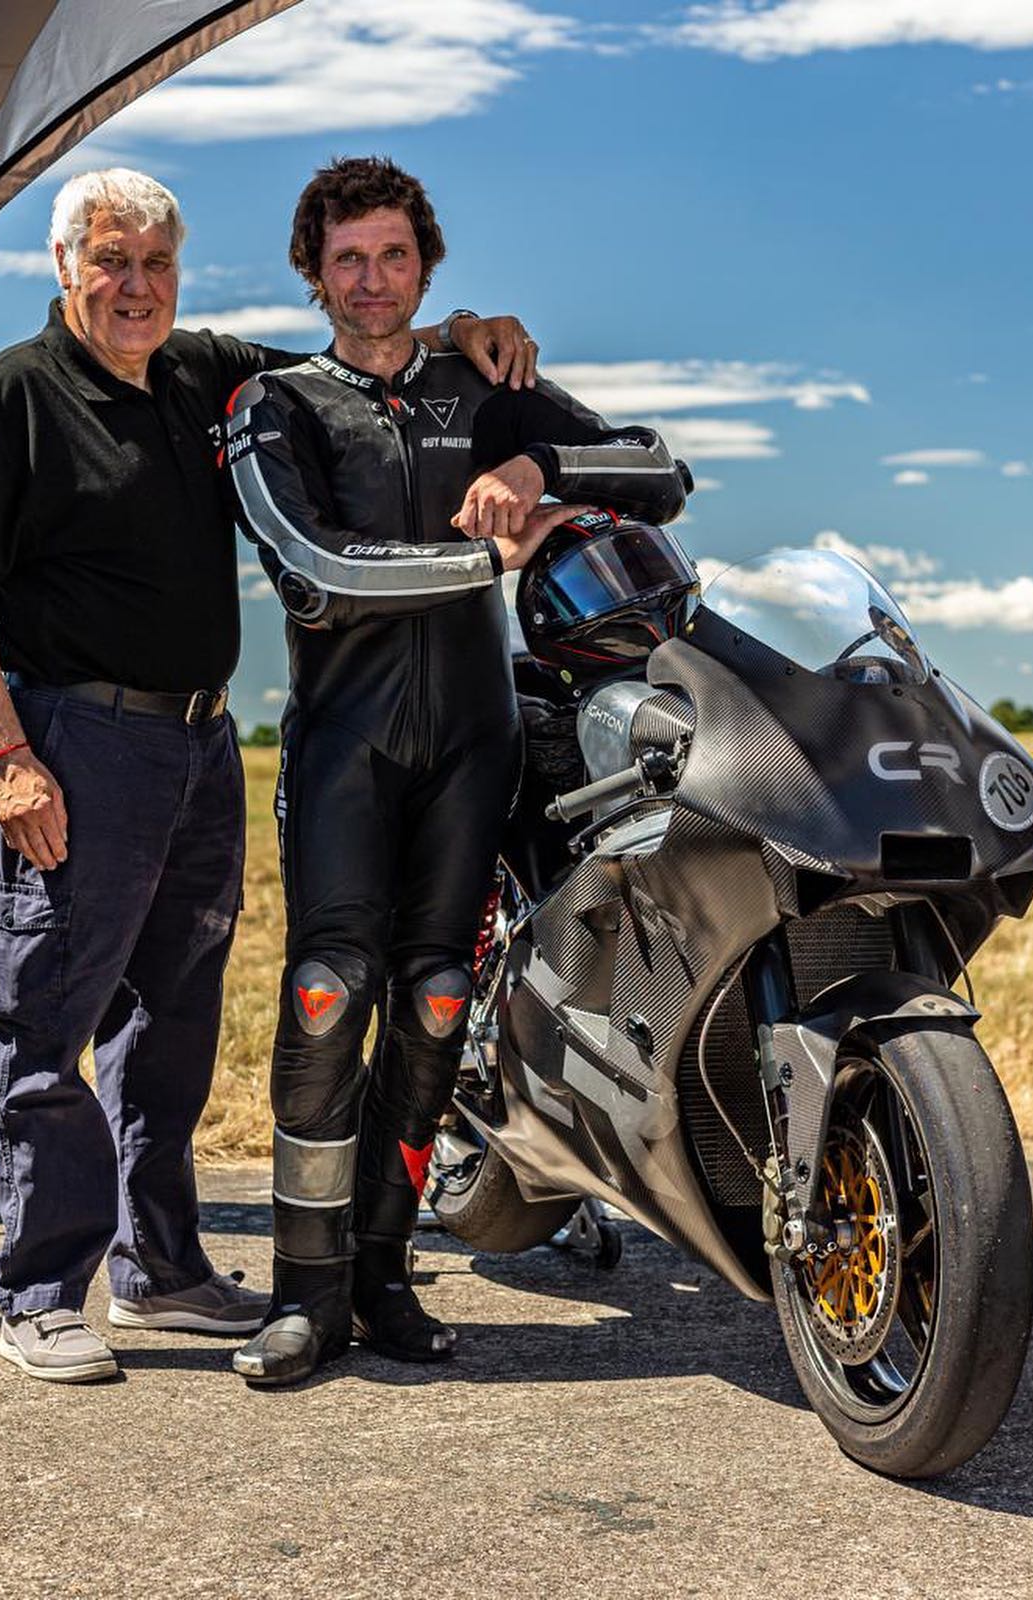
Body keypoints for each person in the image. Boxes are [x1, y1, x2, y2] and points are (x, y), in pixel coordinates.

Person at [0, 166, 537, 1384]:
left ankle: (164, 1266)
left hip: (199, 743)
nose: (135, 287)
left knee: (170, 1022)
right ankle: (41, 1289)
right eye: (111, 262)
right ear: (63, 268)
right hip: (74, 739)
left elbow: (359, 351)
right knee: (47, 1016)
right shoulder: (16, 396)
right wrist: (9, 757)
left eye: (155, 263)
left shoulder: (203, 372)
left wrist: (467, 334)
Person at [227, 156, 691, 1387]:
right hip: (343, 744)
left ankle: (381, 1273)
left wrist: (539, 470)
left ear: (424, 266)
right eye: (346, 260)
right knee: (330, 991)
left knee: (438, 1003)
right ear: (313, 275)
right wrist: (478, 558)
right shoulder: (277, 403)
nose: (370, 281)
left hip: (472, 737)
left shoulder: (483, 380)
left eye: (391, 256)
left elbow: (659, 473)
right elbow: (312, 572)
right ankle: (301, 1291)